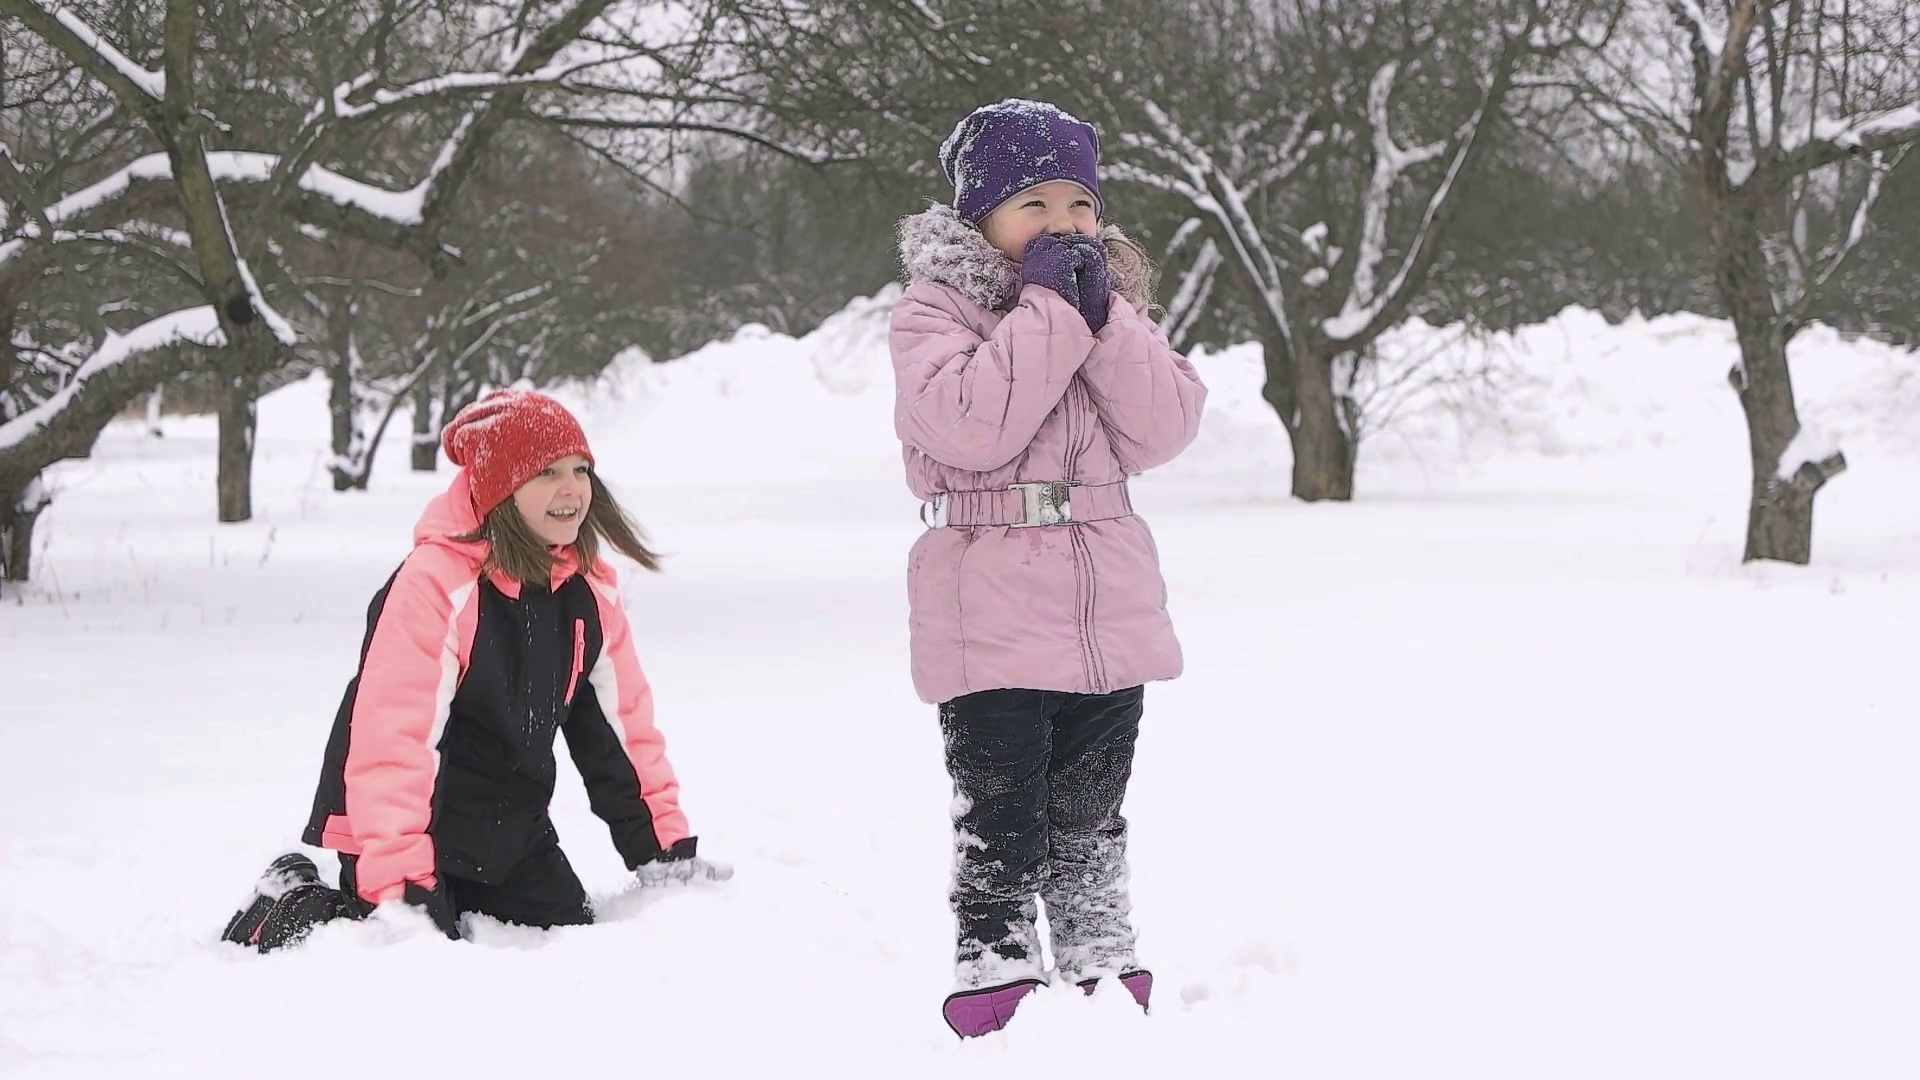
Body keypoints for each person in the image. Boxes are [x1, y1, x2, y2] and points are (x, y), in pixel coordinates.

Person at [889, 98, 1208, 1037]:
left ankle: (1098, 945)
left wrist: (1104, 322)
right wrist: (1050, 312)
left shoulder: (1113, 310)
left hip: (1106, 600)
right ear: (979, 216)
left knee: (1091, 805)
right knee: (1006, 806)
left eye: (1080, 205)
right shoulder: (931, 312)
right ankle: (993, 950)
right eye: (1034, 204)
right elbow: (969, 427)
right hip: (987, 598)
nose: (1064, 225)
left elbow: (1163, 428)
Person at [221, 390, 728, 951]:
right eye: (547, 472)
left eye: (581, 470)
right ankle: (291, 902)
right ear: (501, 489)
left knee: (569, 939)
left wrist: (662, 851)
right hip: (397, 823)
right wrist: (398, 883)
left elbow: (621, 730)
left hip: (508, 828)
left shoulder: (587, 592)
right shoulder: (437, 583)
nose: (572, 489)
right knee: (405, 950)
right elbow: (394, 740)